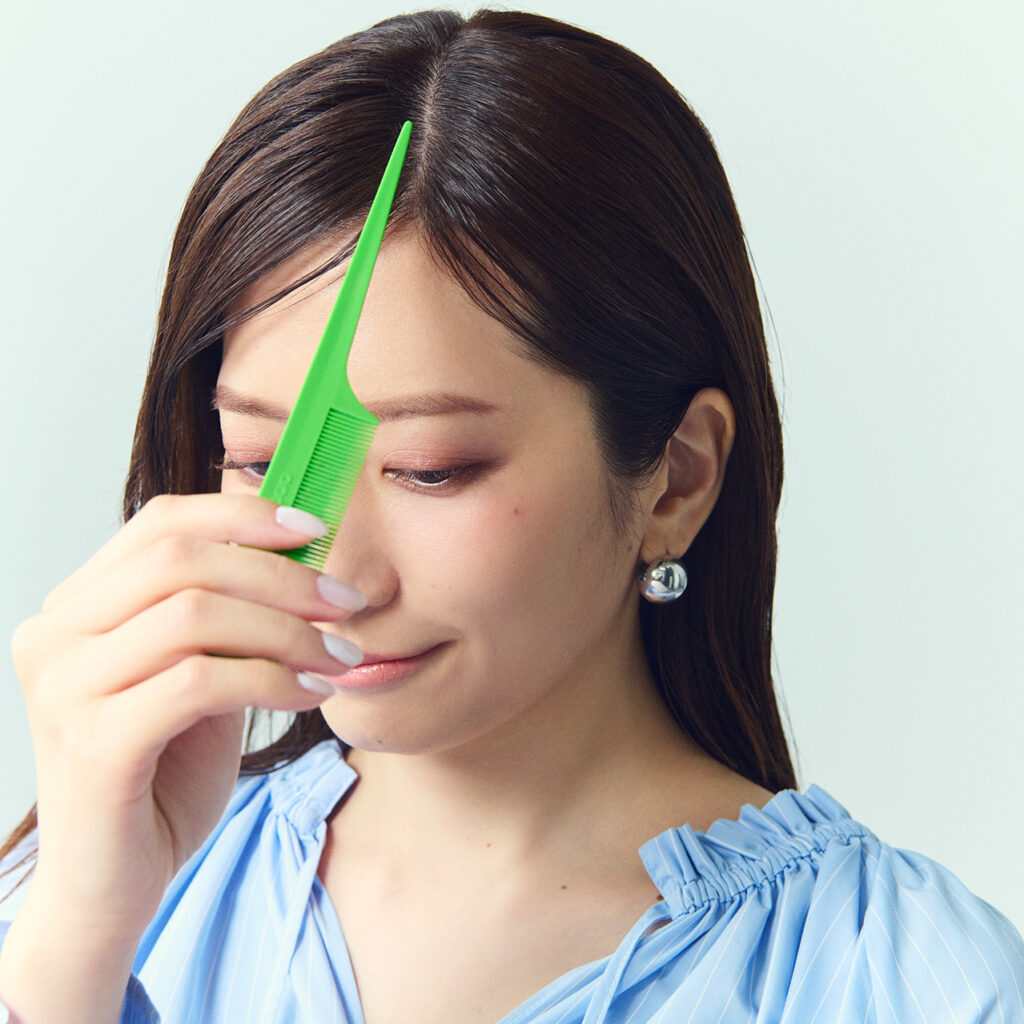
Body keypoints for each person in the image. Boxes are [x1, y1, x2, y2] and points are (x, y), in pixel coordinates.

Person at [0, 8, 1021, 1023]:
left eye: (431, 470)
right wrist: (76, 941)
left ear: (676, 479)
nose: (335, 572)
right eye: (262, 462)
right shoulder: (93, 907)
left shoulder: (903, 981)